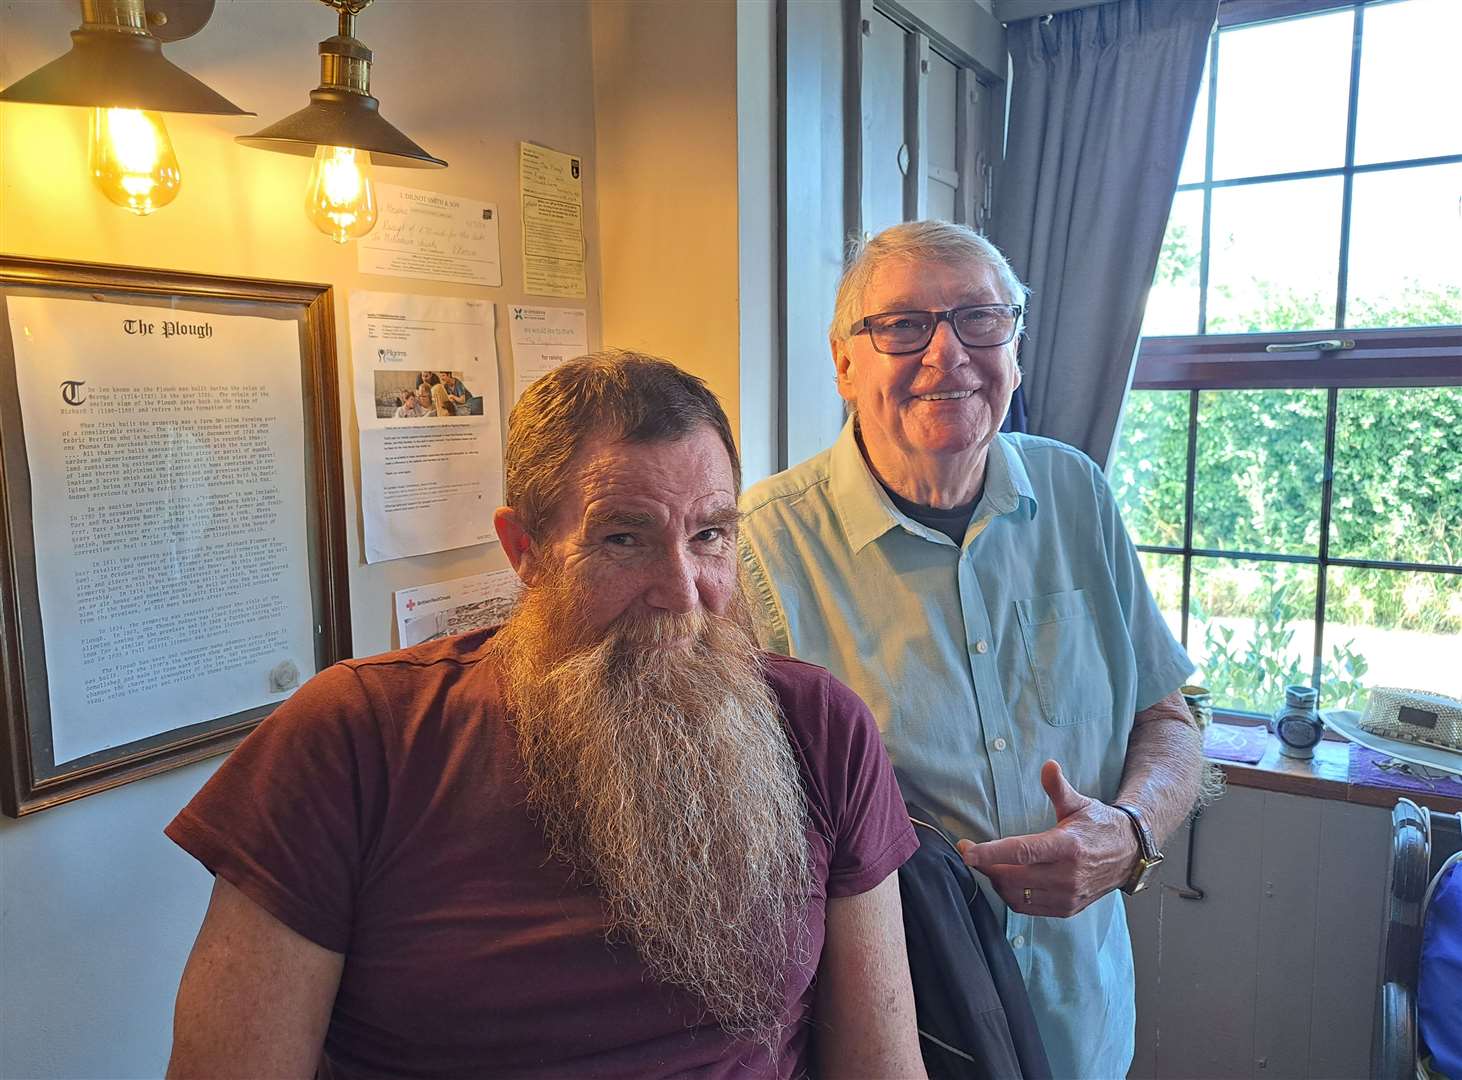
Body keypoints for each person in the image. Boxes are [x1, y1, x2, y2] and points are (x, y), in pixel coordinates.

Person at [164, 351, 928, 1079]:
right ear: (524, 548)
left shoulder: (819, 728)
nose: (683, 591)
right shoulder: (357, 738)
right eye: (624, 538)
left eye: (709, 536)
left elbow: (883, 1065)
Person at [738, 220, 1204, 1080]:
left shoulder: (1077, 494)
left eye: (981, 320)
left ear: (1014, 350)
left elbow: (1167, 718)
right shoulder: (759, 550)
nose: (947, 353)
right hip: (901, 1040)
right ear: (844, 364)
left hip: (1084, 1028)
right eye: (903, 325)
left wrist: (1129, 835)